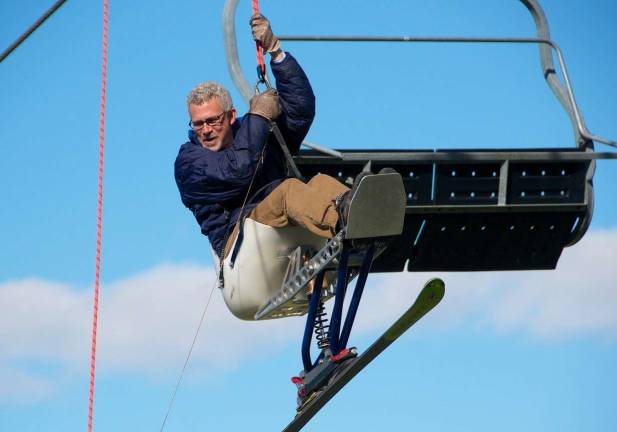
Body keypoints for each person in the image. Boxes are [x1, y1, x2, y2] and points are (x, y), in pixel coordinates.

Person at [175, 14, 356, 264]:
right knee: (289, 191)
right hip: (238, 248)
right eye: (198, 123)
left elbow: (300, 111)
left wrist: (275, 51)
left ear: (230, 117)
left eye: (212, 120)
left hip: (278, 228)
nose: (205, 130)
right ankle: (350, 224)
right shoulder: (189, 162)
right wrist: (259, 115)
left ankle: (361, 210)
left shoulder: (255, 131)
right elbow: (238, 172)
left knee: (320, 183)